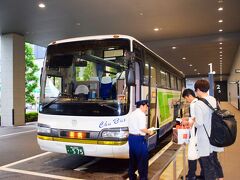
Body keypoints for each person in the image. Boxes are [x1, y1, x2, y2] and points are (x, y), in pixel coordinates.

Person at [194, 80, 224, 180]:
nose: (196, 93)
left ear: (198, 90)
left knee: (207, 167)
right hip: (214, 136)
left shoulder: (198, 104)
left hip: (205, 139)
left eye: (196, 90)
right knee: (213, 162)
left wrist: (191, 122)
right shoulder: (213, 99)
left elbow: (199, 123)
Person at [127, 100, 154, 180]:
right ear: (141, 106)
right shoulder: (141, 115)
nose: (146, 109)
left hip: (131, 138)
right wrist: (150, 132)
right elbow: (142, 128)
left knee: (133, 159)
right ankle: (143, 178)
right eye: (146, 106)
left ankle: (132, 177)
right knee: (142, 160)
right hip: (139, 139)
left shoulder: (132, 113)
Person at [181, 89, 204, 180]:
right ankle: (197, 175)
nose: (187, 101)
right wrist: (188, 120)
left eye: (186, 98)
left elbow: (195, 120)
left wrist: (186, 123)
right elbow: (194, 118)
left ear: (189, 96)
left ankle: (191, 176)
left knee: (192, 155)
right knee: (198, 155)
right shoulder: (198, 102)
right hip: (199, 134)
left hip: (195, 135)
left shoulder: (193, 104)